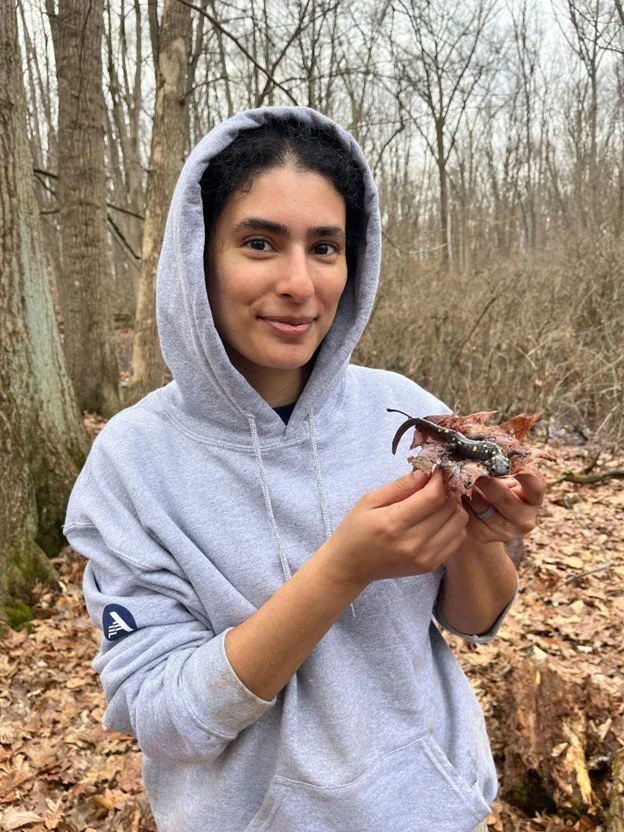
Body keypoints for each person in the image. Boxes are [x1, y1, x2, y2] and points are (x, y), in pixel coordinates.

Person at [63, 106, 544, 832]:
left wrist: (481, 531)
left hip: (431, 809)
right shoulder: (132, 465)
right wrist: (341, 571)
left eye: (325, 247)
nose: (299, 282)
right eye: (259, 242)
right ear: (198, 256)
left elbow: (475, 619)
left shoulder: (408, 413)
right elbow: (164, 719)